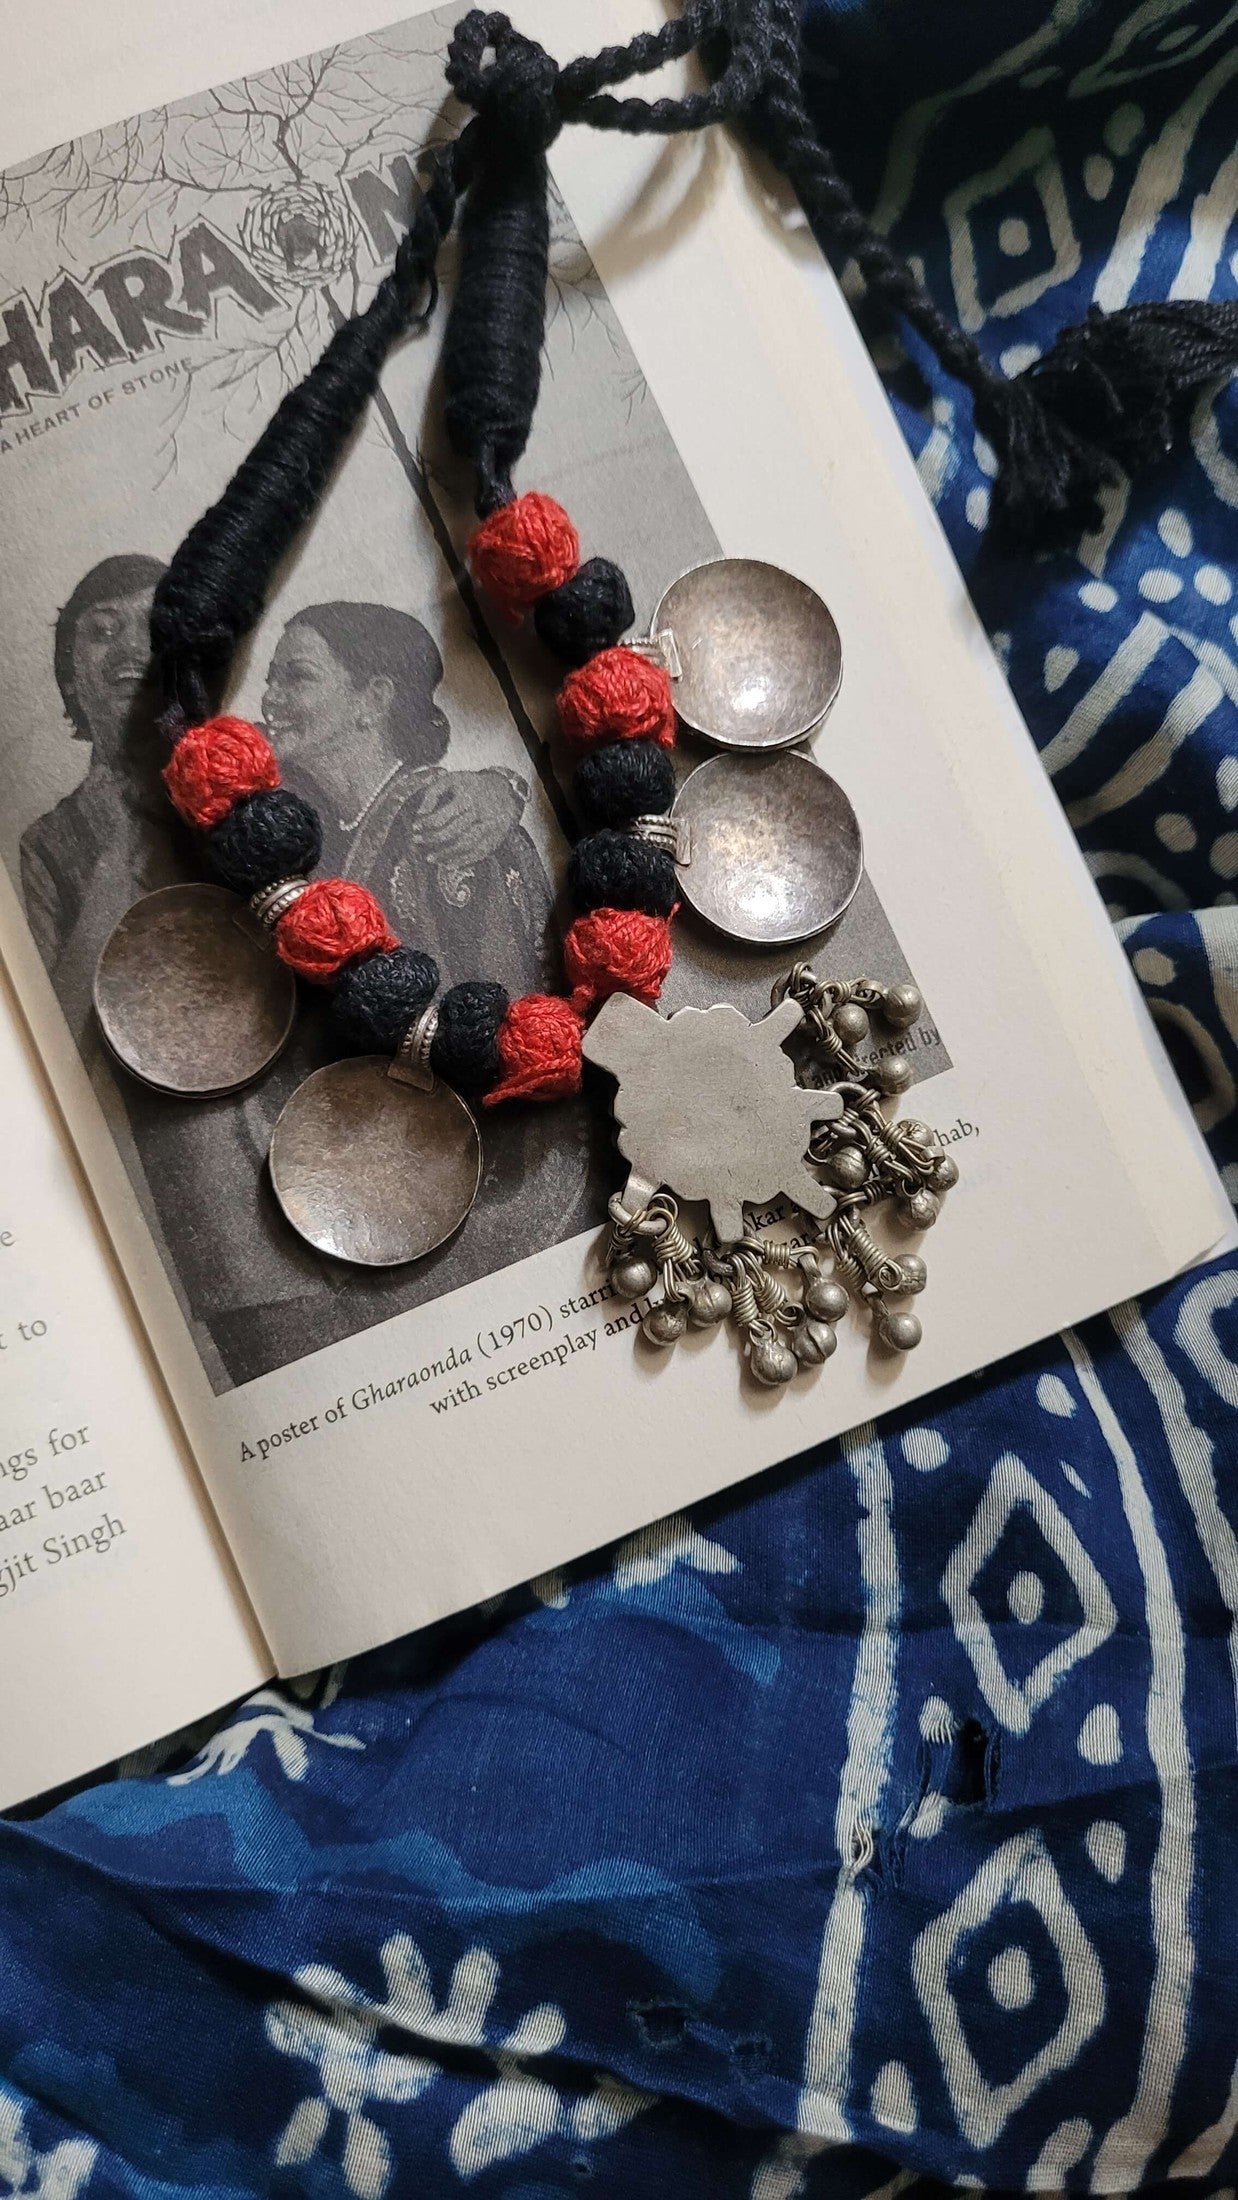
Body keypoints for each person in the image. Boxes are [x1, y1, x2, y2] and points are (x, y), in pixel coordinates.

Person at [20, 563, 599, 1387]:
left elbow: (505, 1003)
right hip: (244, 1212)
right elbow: (54, 1058)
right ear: (70, 666)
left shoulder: (326, 809)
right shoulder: (68, 845)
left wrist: (499, 788)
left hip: (413, 1176)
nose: (270, 698)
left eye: (295, 677)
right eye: (100, 631)